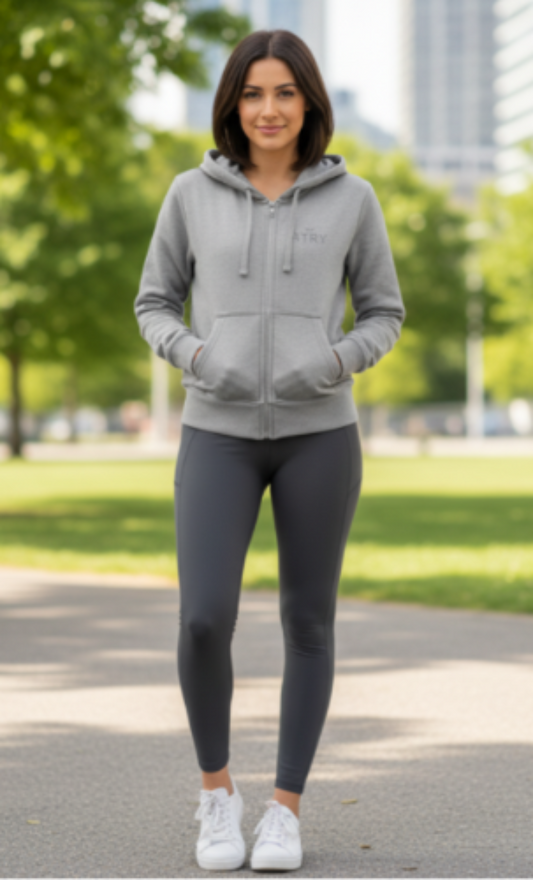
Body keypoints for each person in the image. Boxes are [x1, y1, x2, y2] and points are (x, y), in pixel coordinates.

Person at [134, 28, 405, 873]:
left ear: (309, 102)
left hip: (319, 434)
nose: (268, 109)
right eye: (252, 93)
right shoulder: (189, 192)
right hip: (215, 432)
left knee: (307, 621)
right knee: (204, 616)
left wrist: (330, 361)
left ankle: (284, 810)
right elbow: (154, 303)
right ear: (232, 105)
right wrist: (199, 357)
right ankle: (217, 797)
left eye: (284, 92)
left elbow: (383, 315)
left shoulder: (353, 198)